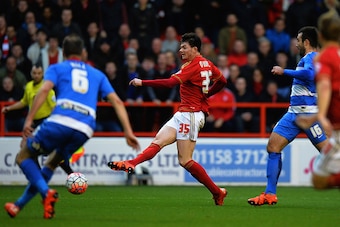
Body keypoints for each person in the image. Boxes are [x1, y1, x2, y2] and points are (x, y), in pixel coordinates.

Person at [4, 35, 140, 219]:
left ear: (64, 53)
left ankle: (46, 193)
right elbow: (117, 101)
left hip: (61, 121)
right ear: (83, 53)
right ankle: (18, 206)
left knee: (23, 156)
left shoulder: (57, 68)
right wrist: (128, 132)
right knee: (51, 163)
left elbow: (44, 91)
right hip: (85, 129)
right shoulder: (97, 74)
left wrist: (28, 121)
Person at [108, 32, 228, 205]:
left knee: (185, 160)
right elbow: (222, 81)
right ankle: (132, 163)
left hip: (191, 115)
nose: (181, 50)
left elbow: (169, 83)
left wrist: (143, 83)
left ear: (195, 49)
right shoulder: (208, 64)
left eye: (184, 47)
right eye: (180, 47)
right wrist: (206, 94)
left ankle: (217, 192)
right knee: (158, 141)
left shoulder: (191, 66)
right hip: (184, 113)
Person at [247, 26, 329, 206]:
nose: (296, 44)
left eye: (298, 41)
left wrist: (284, 71)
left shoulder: (313, 57)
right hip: (293, 114)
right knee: (273, 146)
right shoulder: (306, 58)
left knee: (329, 155)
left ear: (306, 42)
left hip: (309, 115)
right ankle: (270, 194)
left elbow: (310, 75)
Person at [296, 14, 340, 189]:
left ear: (320, 35)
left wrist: (319, 116)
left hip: (337, 130)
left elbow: (324, 86)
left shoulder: (324, 57)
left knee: (319, 180)